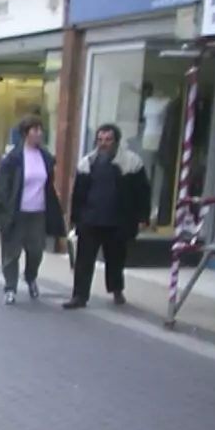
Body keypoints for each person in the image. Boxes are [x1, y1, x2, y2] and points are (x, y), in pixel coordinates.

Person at [64, 123, 150, 309]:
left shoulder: (131, 162)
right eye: (100, 140)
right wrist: (75, 220)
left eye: (108, 140)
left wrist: (143, 217)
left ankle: (116, 290)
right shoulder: (87, 162)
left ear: (116, 141)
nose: (103, 144)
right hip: (91, 219)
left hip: (118, 220)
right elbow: (78, 194)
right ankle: (79, 296)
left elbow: (142, 192)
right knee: (84, 261)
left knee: (116, 259)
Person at [0, 117, 65, 306]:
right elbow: (2, 185)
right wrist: (6, 205)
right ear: (26, 134)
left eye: (41, 130)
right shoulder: (14, 158)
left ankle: (31, 276)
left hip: (38, 212)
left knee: (36, 251)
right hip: (17, 212)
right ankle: (10, 287)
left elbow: (47, 184)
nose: (39, 134)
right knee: (12, 252)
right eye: (35, 130)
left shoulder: (45, 157)